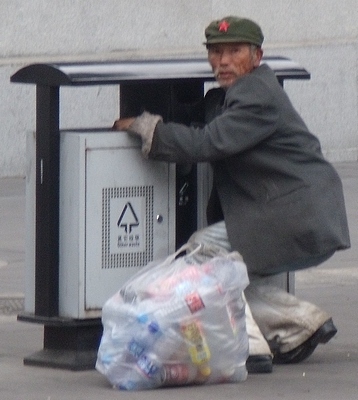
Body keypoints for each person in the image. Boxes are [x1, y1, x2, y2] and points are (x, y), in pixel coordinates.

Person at [113, 16, 350, 373]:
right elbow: (202, 120)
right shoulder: (231, 96)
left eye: (234, 52)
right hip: (295, 214)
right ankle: (300, 323)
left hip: (298, 217)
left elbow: (210, 142)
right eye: (215, 52)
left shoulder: (257, 95)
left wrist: (146, 128)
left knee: (203, 252)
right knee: (232, 272)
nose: (222, 61)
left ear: (257, 56)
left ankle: (250, 345)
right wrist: (159, 118)